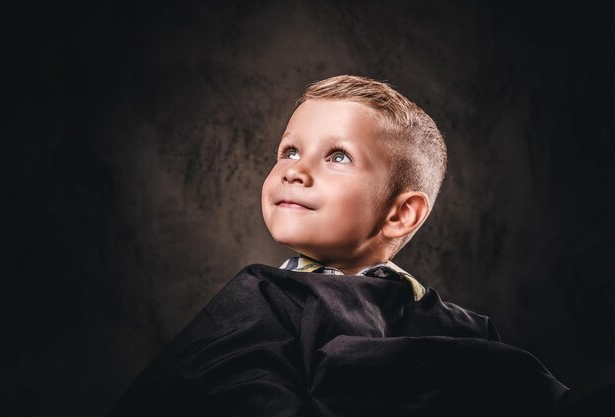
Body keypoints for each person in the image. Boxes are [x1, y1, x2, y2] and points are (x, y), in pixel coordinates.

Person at [108, 75, 569, 416]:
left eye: (338, 156)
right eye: (289, 151)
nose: (294, 170)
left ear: (400, 213)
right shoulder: (258, 301)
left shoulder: (461, 328)